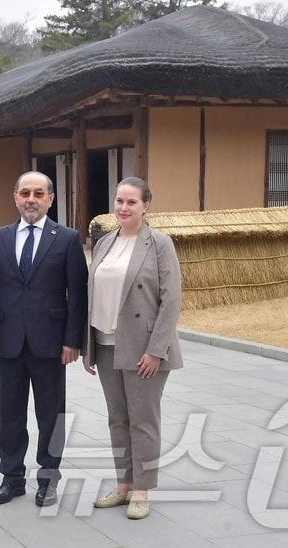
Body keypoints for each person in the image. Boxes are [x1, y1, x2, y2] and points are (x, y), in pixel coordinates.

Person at [0, 171, 87, 507]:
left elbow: (77, 294)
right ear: (15, 197)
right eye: (25, 192)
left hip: (51, 342)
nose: (31, 199)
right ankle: (11, 477)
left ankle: (48, 479)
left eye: (38, 193)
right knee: (9, 413)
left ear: (50, 199)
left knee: (50, 413)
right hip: (9, 341)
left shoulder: (67, 238)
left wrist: (73, 341)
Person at [83, 176, 183, 520]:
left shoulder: (159, 244)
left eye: (131, 202)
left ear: (146, 206)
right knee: (117, 418)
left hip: (144, 347)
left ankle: (142, 488)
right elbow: (92, 295)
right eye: (119, 201)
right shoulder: (105, 243)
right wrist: (88, 347)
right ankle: (124, 483)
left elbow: (171, 301)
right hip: (106, 342)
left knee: (143, 419)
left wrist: (156, 350)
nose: (123, 208)